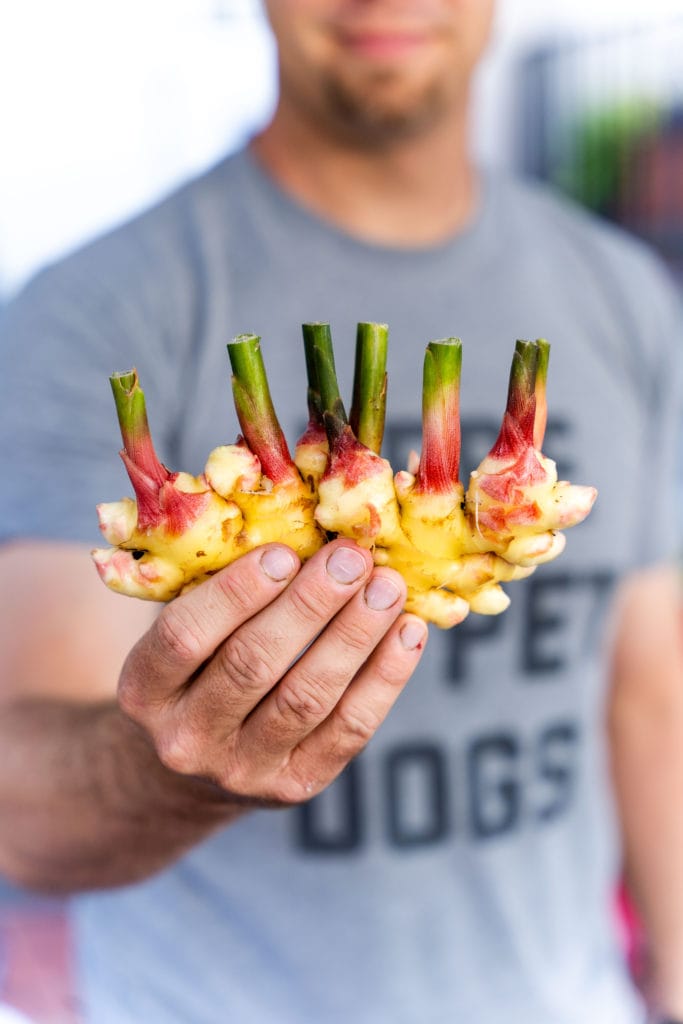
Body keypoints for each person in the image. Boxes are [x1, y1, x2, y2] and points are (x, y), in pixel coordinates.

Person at [0, 1, 682, 1021]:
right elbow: (21, 809)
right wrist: (181, 769)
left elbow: (645, 686)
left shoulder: (624, 297)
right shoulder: (88, 311)